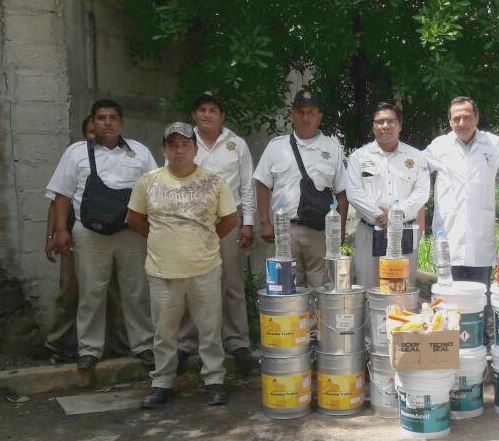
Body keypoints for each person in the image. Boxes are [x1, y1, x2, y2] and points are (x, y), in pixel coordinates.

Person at [128, 122, 239, 408]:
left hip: (205, 268)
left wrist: (203, 241)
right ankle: (162, 382)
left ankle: (214, 379)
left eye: (185, 144)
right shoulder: (148, 181)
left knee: (210, 330)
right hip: (162, 270)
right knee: (164, 333)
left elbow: (229, 220)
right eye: (173, 145)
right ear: (164, 149)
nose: (179, 150)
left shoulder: (214, 182)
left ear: (194, 148)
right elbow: (135, 219)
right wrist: (162, 241)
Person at [46, 99, 156, 374]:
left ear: (121, 122)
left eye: (112, 117)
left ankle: (143, 345)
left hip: (131, 234)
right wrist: (60, 230)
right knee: (91, 294)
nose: (107, 122)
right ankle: (89, 350)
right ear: (93, 122)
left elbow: (155, 191)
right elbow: (62, 194)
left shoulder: (140, 152)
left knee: (136, 292)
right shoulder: (75, 153)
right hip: (89, 234)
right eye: (101, 117)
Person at [177, 92, 256, 375]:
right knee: (190, 282)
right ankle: (185, 344)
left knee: (232, 284)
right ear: (194, 115)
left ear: (222, 116)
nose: (207, 114)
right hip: (192, 224)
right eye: (202, 110)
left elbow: (247, 186)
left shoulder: (237, 145)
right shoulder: (184, 143)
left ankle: (238, 343)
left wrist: (248, 223)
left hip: (229, 220)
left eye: (213, 110)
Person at [44, 116, 130, 363]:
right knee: (71, 292)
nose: (98, 134)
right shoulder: (76, 158)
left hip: (111, 236)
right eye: (92, 132)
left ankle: (117, 345)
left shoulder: (122, 159)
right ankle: (58, 345)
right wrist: (53, 235)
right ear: (84, 136)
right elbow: (56, 200)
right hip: (73, 235)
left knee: (113, 293)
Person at [253, 90, 348, 289]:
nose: (306, 118)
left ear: (319, 116)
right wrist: (265, 222)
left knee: (320, 286)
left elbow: (342, 192)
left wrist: (340, 229)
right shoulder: (276, 147)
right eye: (301, 112)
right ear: (292, 115)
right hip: (285, 228)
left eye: (311, 112)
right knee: (287, 286)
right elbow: (262, 183)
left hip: (320, 230)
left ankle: (315, 321)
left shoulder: (332, 148)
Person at [424, 96, 499, 287]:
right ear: (449, 121)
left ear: (476, 117)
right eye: (456, 119)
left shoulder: (495, 145)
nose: (461, 123)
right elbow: (415, 175)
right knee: (448, 302)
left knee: (479, 301)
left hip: (480, 240)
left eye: (467, 117)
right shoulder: (439, 146)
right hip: (448, 236)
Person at [346, 102, 430, 290]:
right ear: (373, 126)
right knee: (368, 287)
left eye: (390, 121)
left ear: (399, 125)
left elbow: (422, 191)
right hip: (370, 230)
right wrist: (380, 217)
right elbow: (354, 193)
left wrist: (396, 215)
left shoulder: (416, 157)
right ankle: (370, 321)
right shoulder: (359, 157)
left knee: (402, 288)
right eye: (380, 122)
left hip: (404, 230)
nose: (385, 126)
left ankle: (401, 320)